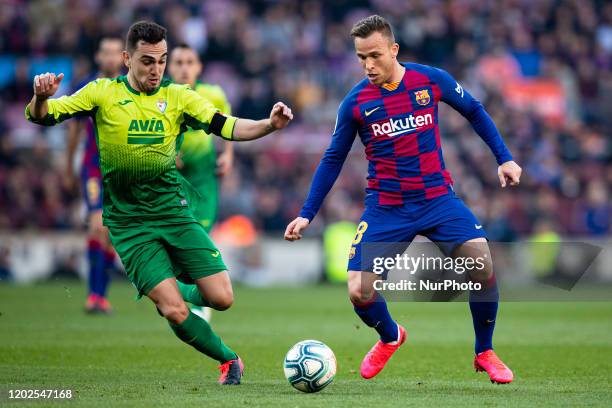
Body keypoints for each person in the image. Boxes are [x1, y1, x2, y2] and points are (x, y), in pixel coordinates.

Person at [26, 21, 293, 385]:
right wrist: (41, 97)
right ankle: (229, 361)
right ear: (126, 59)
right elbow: (45, 116)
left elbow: (226, 125)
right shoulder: (102, 92)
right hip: (129, 224)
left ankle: (167, 281)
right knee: (173, 309)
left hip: (173, 213)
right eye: (148, 61)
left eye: (162, 61)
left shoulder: (179, 97)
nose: (156, 69)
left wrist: (269, 125)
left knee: (222, 298)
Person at [284, 15, 521, 384]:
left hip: (437, 198)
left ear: (394, 50)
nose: (368, 65)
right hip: (387, 207)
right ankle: (391, 336)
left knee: (482, 263)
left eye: (375, 55)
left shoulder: (430, 80)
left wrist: (504, 157)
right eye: (361, 57)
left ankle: (484, 351)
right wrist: (306, 213)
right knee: (358, 290)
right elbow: (333, 158)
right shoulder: (355, 103)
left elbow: (474, 109)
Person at [168, 43, 234, 322]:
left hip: (204, 176)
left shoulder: (213, 94)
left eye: (189, 62)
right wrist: (168, 155)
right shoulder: (162, 95)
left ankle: (199, 297)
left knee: (201, 235)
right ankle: (191, 294)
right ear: (169, 68)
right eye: (178, 62)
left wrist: (228, 155)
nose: (184, 68)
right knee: (178, 239)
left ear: (199, 67)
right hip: (174, 177)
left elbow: (229, 124)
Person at [65, 36, 124, 314]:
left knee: (110, 233)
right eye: (106, 52)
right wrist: (68, 165)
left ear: (123, 57)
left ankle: (102, 294)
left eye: (116, 52)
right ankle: (94, 295)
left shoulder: (129, 87)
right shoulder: (86, 87)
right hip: (92, 168)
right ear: (99, 57)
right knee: (97, 225)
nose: (111, 58)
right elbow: (74, 130)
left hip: (122, 169)